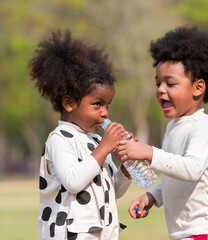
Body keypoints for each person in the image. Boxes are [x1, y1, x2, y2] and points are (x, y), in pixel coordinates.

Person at [115, 26, 208, 240]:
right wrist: (152, 196)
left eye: (170, 83)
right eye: (158, 83)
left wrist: (148, 153)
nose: (160, 89)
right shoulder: (173, 127)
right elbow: (175, 177)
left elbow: (191, 170)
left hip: (206, 233)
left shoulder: (202, 127)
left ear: (198, 88)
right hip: (185, 234)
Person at [29, 29, 132, 240]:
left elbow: (114, 191)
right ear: (68, 103)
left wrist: (127, 166)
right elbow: (74, 181)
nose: (105, 112)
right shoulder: (59, 140)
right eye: (97, 104)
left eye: (107, 105)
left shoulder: (94, 140)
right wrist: (105, 148)